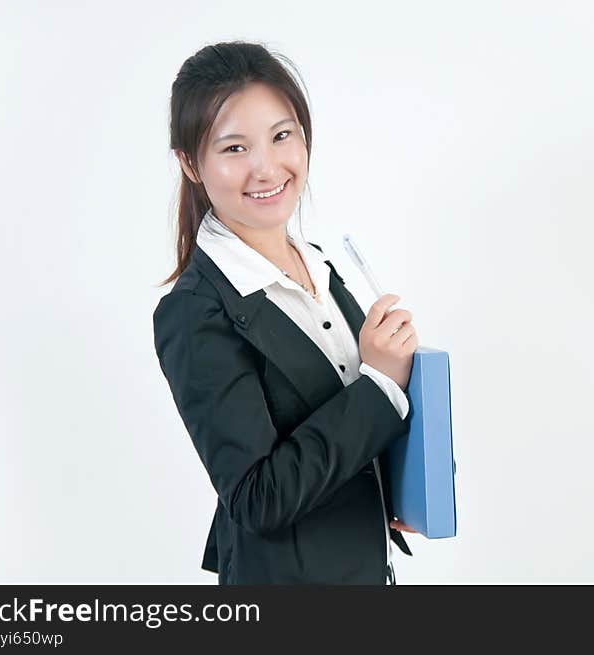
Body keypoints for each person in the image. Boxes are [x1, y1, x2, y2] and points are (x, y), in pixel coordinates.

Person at [153, 41, 418, 585]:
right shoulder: (194, 312)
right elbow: (256, 498)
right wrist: (381, 386)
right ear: (189, 163)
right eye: (233, 149)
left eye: (281, 135)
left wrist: (398, 486)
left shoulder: (319, 265)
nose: (266, 167)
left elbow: (331, 424)